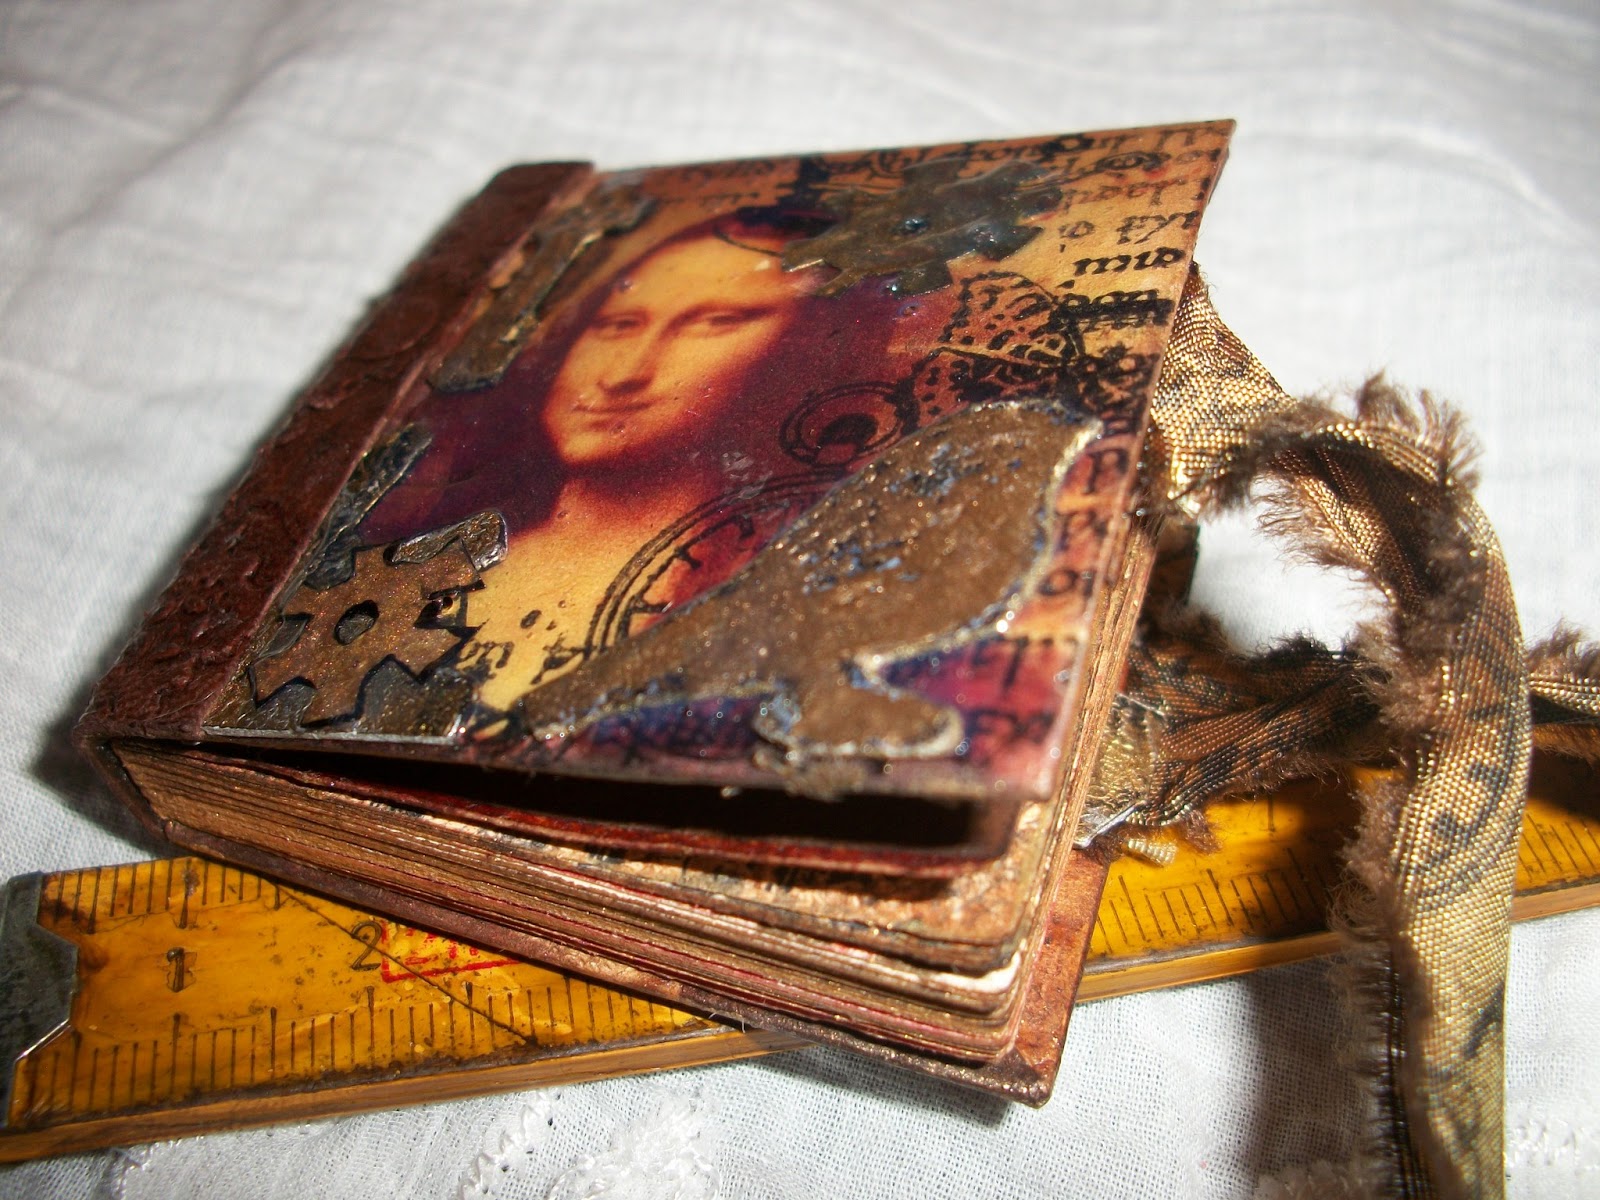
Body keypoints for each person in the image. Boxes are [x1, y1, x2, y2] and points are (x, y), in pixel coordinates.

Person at [420, 212, 898, 714]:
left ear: (807, 349)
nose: (625, 373)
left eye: (715, 323)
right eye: (616, 326)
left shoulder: (800, 589)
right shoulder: (436, 555)